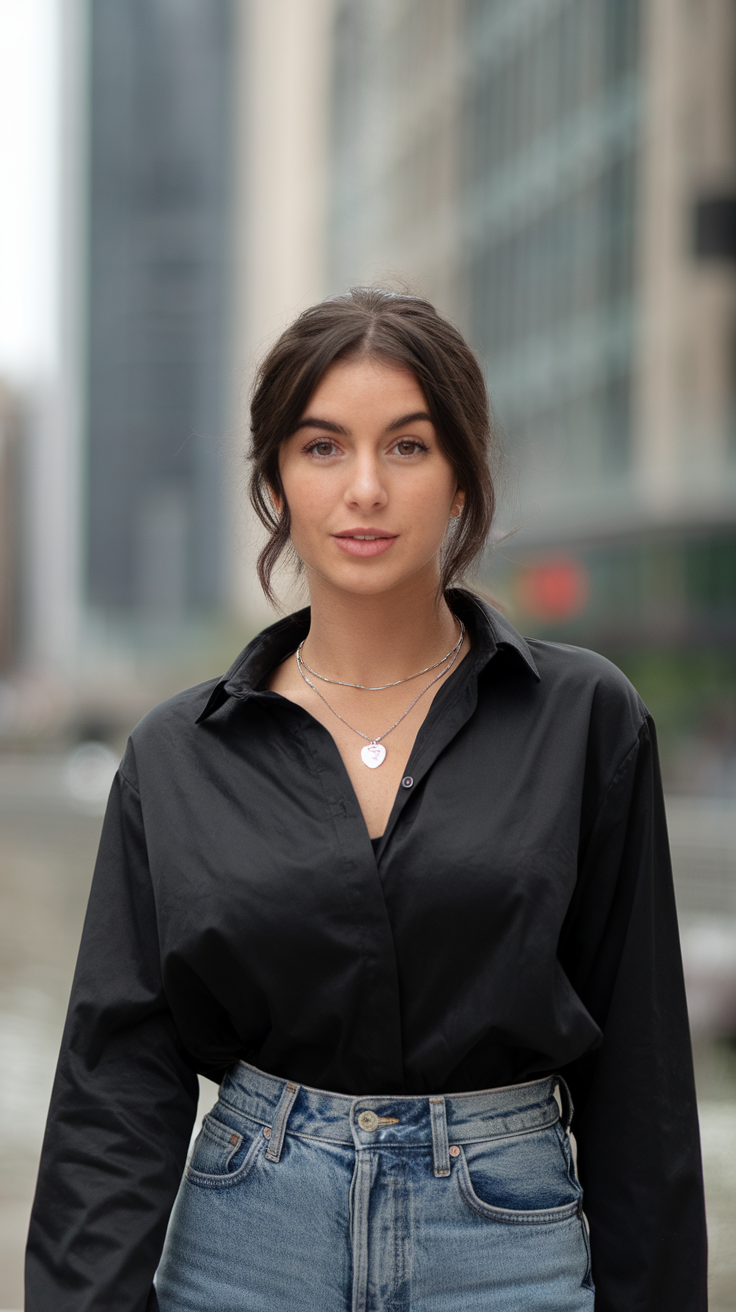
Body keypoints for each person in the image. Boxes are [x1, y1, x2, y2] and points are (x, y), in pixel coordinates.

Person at [26, 289, 707, 1312]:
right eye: (322, 447)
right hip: (246, 1247)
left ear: (463, 475)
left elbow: (642, 1083)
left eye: (407, 446)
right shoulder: (177, 755)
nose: (364, 489)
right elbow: (115, 1088)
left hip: (505, 1251)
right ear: (275, 478)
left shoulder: (583, 718)